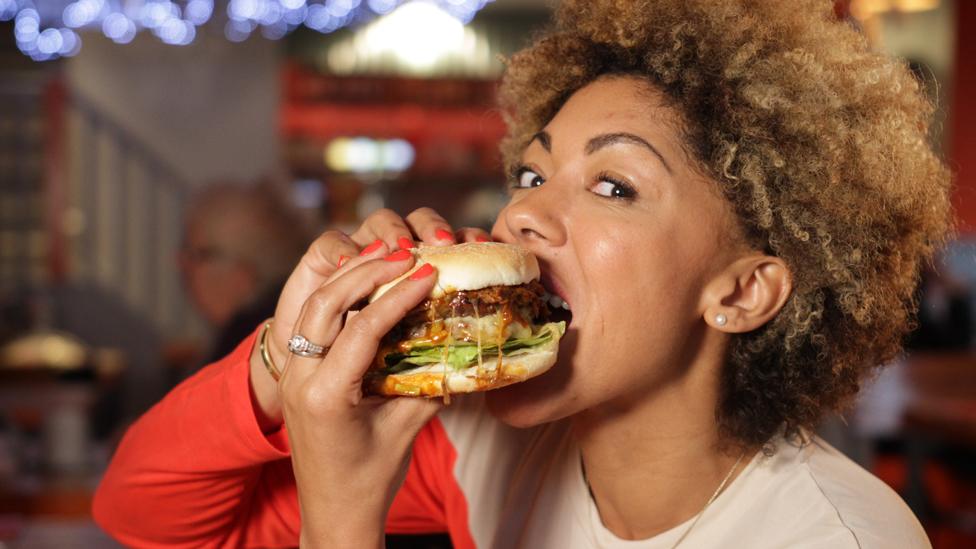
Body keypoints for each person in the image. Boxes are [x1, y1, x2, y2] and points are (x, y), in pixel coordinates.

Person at [92, 1, 952, 547]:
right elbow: (142, 513)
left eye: (613, 184)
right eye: (533, 175)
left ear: (739, 290)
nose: (521, 217)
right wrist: (284, 358)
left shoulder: (831, 538)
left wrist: (345, 520)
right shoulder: (483, 447)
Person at [178, 182, 308, 368]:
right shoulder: (281, 318)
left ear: (242, 273)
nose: (182, 263)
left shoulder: (244, 347)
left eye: (197, 255)